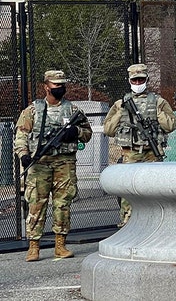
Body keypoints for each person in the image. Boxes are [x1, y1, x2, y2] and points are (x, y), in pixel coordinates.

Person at [13, 70, 93, 262]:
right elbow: (21, 136)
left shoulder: (72, 110)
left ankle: (60, 245)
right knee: (36, 205)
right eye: (56, 85)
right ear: (46, 86)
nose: (60, 88)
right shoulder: (33, 110)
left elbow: (87, 133)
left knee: (62, 204)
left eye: (62, 85)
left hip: (64, 163)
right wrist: (24, 156)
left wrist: (75, 131)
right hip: (39, 164)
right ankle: (34, 247)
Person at [103, 63, 176, 227]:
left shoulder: (158, 102)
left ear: (147, 80)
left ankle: (158, 221)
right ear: (130, 81)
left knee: (155, 189)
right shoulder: (120, 104)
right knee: (128, 191)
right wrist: (121, 113)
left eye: (141, 80)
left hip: (152, 153)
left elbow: (171, 125)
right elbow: (108, 129)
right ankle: (127, 222)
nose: (138, 83)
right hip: (130, 153)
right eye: (135, 80)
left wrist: (158, 114)